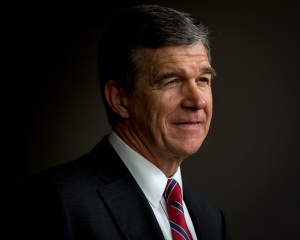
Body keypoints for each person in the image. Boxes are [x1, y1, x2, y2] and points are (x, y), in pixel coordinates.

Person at [19, 4, 229, 240]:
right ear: (120, 99)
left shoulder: (210, 219)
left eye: (203, 79)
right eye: (171, 81)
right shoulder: (55, 202)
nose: (197, 100)